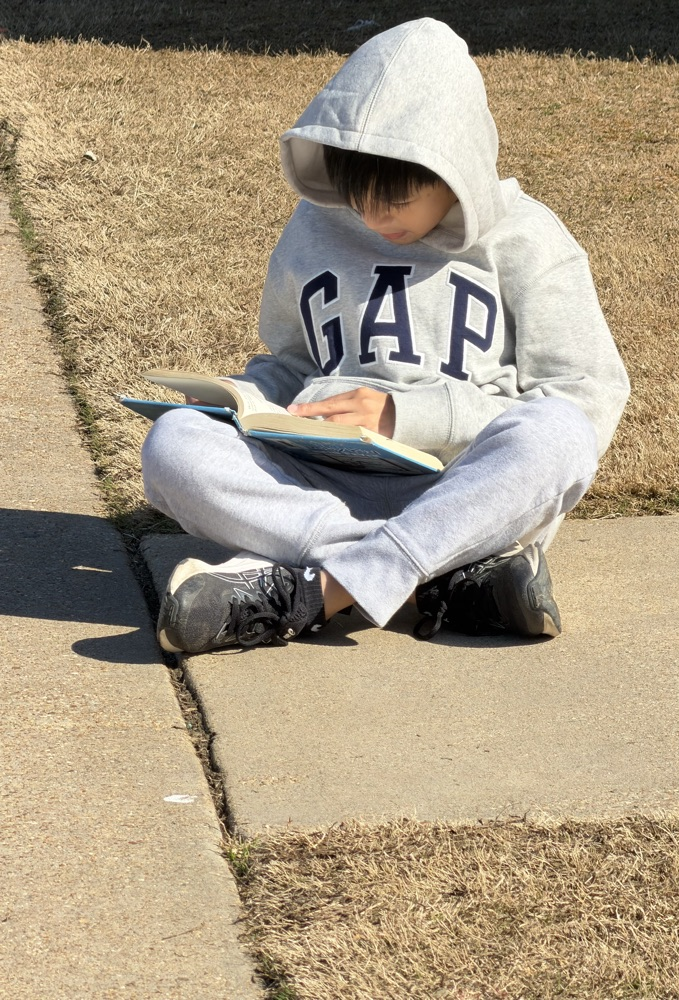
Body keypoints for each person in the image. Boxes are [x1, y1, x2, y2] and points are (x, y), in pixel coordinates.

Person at [141, 18, 630, 654]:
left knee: (559, 436)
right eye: (359, 194)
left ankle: (311, 591)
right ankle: (441, 577)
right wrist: (247, 400)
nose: (374, 217)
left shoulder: (527, 240)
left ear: (455, 168)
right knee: (174, 442)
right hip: (322, 484)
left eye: (397, 197)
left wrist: (408, 413)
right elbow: (292, 360)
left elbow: (584, 393)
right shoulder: (315, 229)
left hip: (459, 485)